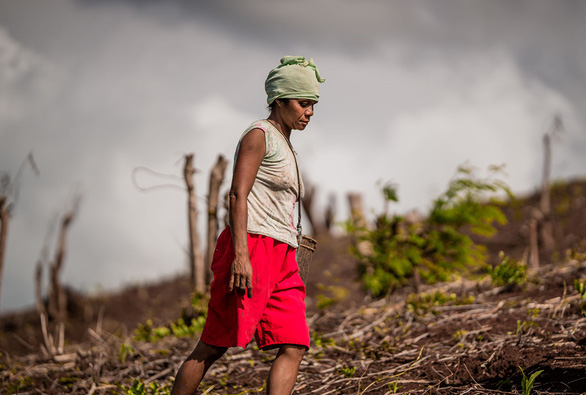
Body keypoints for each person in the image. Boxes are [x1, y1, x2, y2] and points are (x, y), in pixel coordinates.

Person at [171, 56, 325, 395]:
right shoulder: (259, 135)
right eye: (303, 103)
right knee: (214, 344)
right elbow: (237, 194)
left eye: (313, 105)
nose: (310, 112)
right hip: (251, 246)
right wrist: (241, 256)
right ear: (280, 100)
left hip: (282, 254)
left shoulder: (287, 145)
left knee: (295, 342)